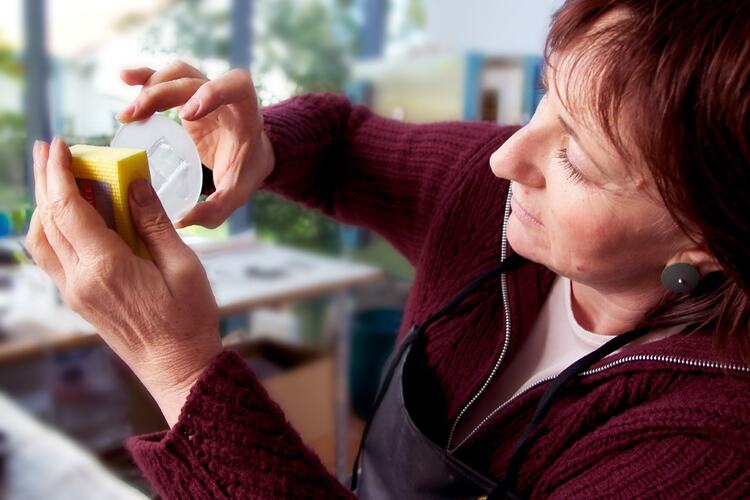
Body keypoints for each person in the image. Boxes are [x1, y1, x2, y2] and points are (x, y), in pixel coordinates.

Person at [26, 0, 750, 498]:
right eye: (543, 98)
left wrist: (178, 367)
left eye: (581, 160)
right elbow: (343, 144)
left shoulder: (717, 445)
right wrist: (261, 143)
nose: (506, 159)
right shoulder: (487, 191)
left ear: (712, 239)